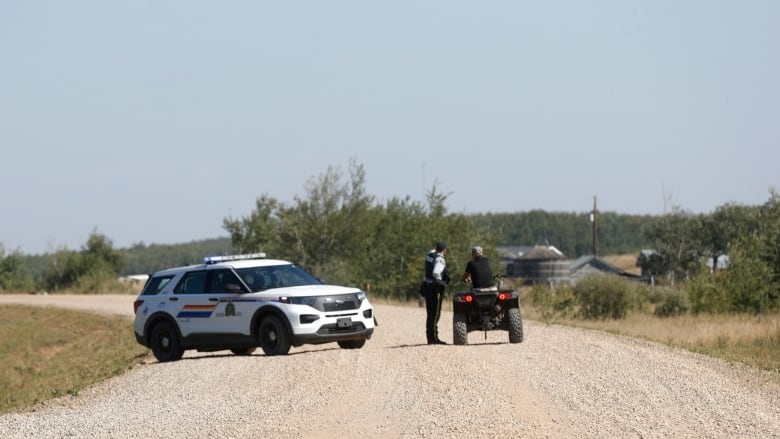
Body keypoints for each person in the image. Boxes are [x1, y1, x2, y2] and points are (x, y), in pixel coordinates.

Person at [422, 242, 449, 345]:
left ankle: (430, 337)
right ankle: (433, 338)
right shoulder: (440, 260)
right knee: (435, 314)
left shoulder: (430, 255)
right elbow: (436, 272)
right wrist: (441, 282)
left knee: (430, 313)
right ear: (444, 250)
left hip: (427, 287)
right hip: (435, 289)